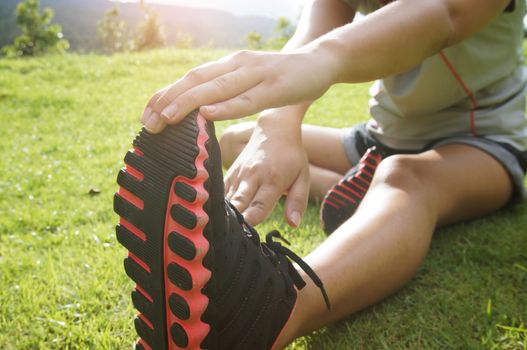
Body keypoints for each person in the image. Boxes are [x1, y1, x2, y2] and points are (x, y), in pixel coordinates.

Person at [117, 0, 527, 348]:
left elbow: (445, 13)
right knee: (243, 140)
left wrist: (320, 62)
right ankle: (371, 197)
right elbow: (313, 34)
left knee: (406, 178)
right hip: (382, 136)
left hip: (484, 139)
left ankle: (269, 311)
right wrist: (278, 121)